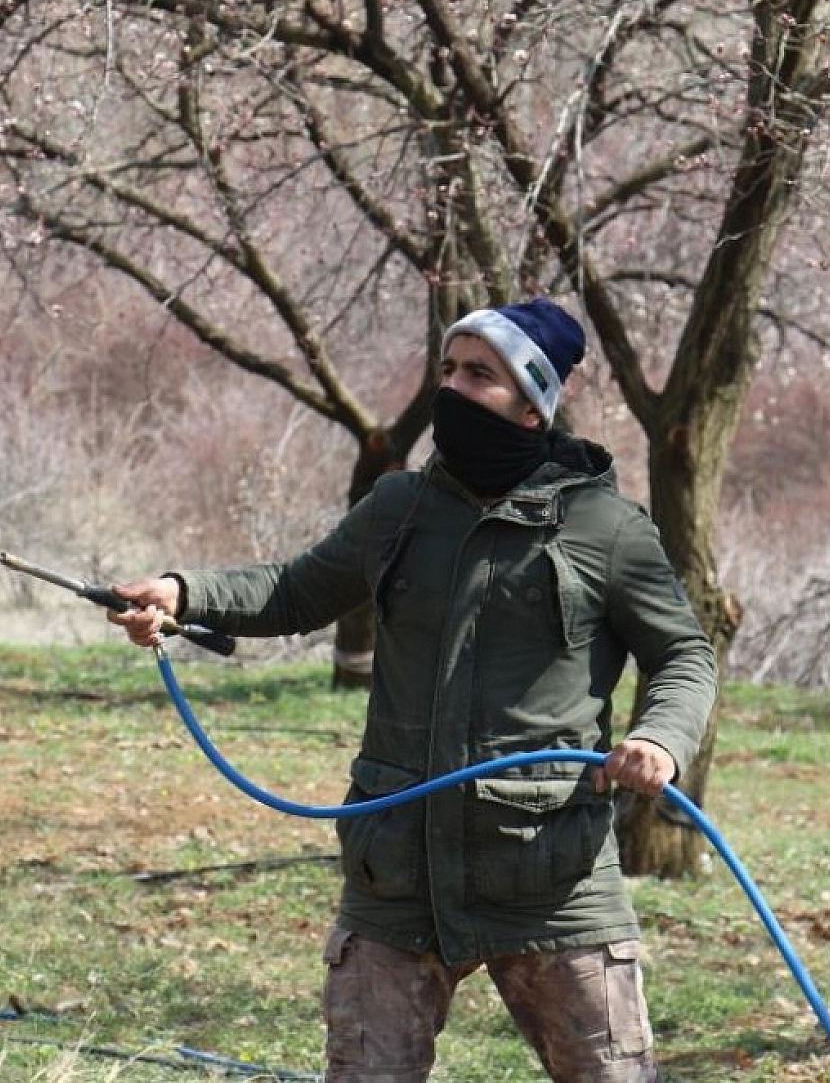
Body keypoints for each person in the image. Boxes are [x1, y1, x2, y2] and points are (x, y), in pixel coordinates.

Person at [109, 297, 716, 1082]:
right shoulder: (399, 506)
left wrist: (659, 739)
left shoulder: (606, 526)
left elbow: (685, 655)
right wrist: (183, 592)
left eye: (481, 376)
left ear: (532, 405)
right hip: (395, 873)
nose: (453, 391)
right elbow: (295, 591)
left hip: (550, 873)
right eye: (450, 370)